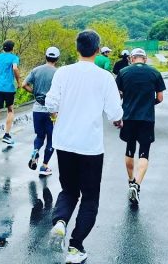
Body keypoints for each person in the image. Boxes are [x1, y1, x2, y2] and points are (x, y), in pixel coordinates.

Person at [45, 30, 123, 263]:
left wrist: (56, 113)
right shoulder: (105, 77)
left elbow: (51, 102)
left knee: (68, 190)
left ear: (77, 49)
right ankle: (75, 247)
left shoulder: (63, 72)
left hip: (64, 142)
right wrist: (118, 120)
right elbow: (115, 112)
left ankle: (60, 222)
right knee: (89, 196)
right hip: (90, 146)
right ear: (98, 50)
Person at [115, 48, 166, 208]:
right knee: (144, 151)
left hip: (129, 117)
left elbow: (117, 95)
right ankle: (137, 184)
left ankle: (131, 182)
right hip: (147, 118)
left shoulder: (123, 72)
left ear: (132, 58)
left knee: (129, 149)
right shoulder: (154, 73)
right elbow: (160, 97)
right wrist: (149, 104)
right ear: (145, 59)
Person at [22, 46, 60, 176]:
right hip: (52, 110)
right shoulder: (58, 73)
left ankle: (35, 151)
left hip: (37, 108)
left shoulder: (36, 70)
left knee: (39, 135)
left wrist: (35, 92)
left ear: (46, 56)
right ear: (57, 59)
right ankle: (44, 166)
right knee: (51, 138)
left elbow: (23, 84)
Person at [0, 40, 21, 151]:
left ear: (3, 47)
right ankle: (6, 135)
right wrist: (18, 81)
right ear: (12, 48)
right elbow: (15, 68)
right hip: (9, 88)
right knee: (10, 110)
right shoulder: (14, 58)